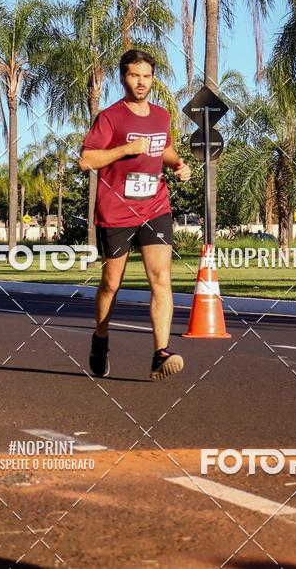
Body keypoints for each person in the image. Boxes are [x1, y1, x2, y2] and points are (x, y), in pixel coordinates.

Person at [79, 49, 191, 380]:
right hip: (116, 211)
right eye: (134, 75)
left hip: (155, 207)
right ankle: (100, 339)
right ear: (123, 78)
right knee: (111, 283)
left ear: (152, 79)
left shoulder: (161, 115)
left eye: (146, 76)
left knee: (161, 278)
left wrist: (178, 164)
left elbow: (163, 147)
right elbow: (86, 160)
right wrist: (125, 149)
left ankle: (161, 352)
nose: (141, 82)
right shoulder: (110, 117)